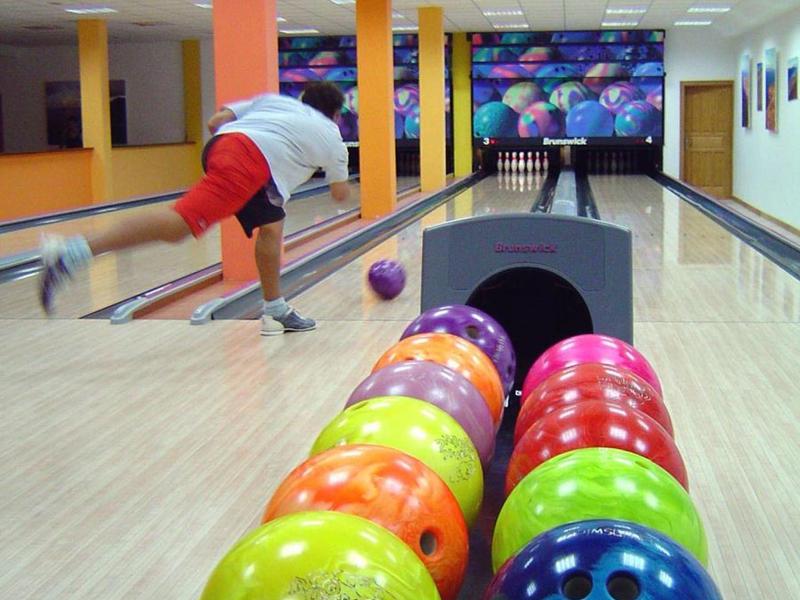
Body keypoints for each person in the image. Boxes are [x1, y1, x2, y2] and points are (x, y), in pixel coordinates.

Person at [38, 81, 351, 335]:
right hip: (248, 163)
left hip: (227, 147)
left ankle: (275, 311)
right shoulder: (333, 137)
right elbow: (338, 194)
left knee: (272, 226)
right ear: (336, 114)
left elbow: (215, 122)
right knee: (179, 226)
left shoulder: (276, 101)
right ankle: (71, 251)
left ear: (303, 99)